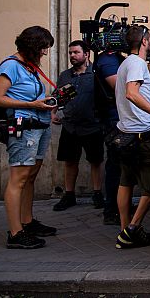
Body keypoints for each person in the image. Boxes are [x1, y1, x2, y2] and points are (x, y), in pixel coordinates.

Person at [0, 26, 58, 249]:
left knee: (30, 176)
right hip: (23, 127)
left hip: (39, 125)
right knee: (18, 178)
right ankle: (15, 232)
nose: (45, 53)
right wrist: (31, 104)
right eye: (43, 49)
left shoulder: (29, 67)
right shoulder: (10, 66)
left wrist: (46, 102)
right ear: (32, 46)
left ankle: (27, 222)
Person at [113, 25, 150, 249]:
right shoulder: (138, 63)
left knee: (126, 181)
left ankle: (124, 229)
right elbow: (131, 93)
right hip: (141, 136)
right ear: (144, 41)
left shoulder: (127, 63)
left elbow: (137, 93)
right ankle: (132, 228)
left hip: (125, 133)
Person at [52, 40, 104, 211]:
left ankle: (97, 194)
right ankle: (69, 195)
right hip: (70, 126)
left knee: (95, 161)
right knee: (70, 161)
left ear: (86, 54)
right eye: (70, 53)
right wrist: (53, 112)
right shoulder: (65, 76)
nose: (72, 56)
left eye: (76, 52)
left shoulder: (96, 74)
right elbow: (58, 98)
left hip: (93, 126)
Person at [93, 45, 126, 225]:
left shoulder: (118, 59)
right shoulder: (108, 60)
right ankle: (112, 209)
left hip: (121, 117)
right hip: (113, 120)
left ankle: (121, 206)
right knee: (115, 166)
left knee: (123, 166)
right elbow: (119, 87)